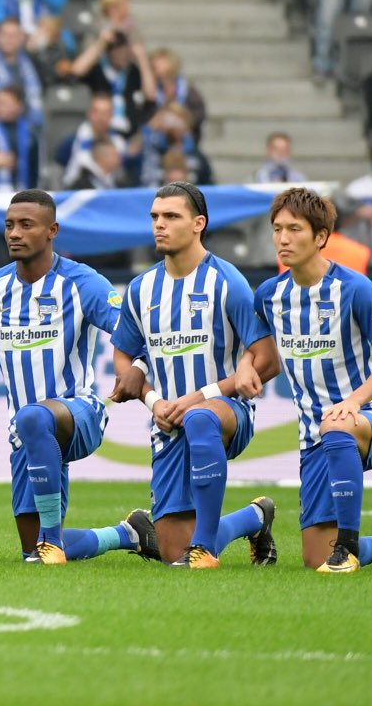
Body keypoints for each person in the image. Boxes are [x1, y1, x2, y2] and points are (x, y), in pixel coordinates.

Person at [0, 190, 156, 564]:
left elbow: (136, 332)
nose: (14, 233)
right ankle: (127, 534)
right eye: (9, 225)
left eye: (26, 225)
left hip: (78, 412)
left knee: (35, 417)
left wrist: (138, 367)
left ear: (52, 230)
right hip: (24, 431)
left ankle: (51, 540)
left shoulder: (83, 283)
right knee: (30, 553)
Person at [251, 188, 372, 573]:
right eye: (277, 229)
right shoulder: (268, 296)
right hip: (314, 435)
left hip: (371, 419)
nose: (283, 238)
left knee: (336, 424)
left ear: (320, 237)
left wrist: (353, 402)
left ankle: (346, 550)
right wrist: (248, 366)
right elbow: (260, 354)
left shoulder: (356, 289)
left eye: (294, 229)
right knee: (314, 558)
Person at [107, 184, 282, 569]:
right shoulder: (141, 288)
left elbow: (268, 360)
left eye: (171, 216)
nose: (159, 225)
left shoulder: (227, 281)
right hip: (168, 425)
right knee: (173, 552)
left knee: (201, 417)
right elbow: (122, 355)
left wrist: (201, 396)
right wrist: (153, 401)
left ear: (198, 223)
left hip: (226, 413)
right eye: (155, 217)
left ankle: (203, 549)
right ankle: (255, 518)